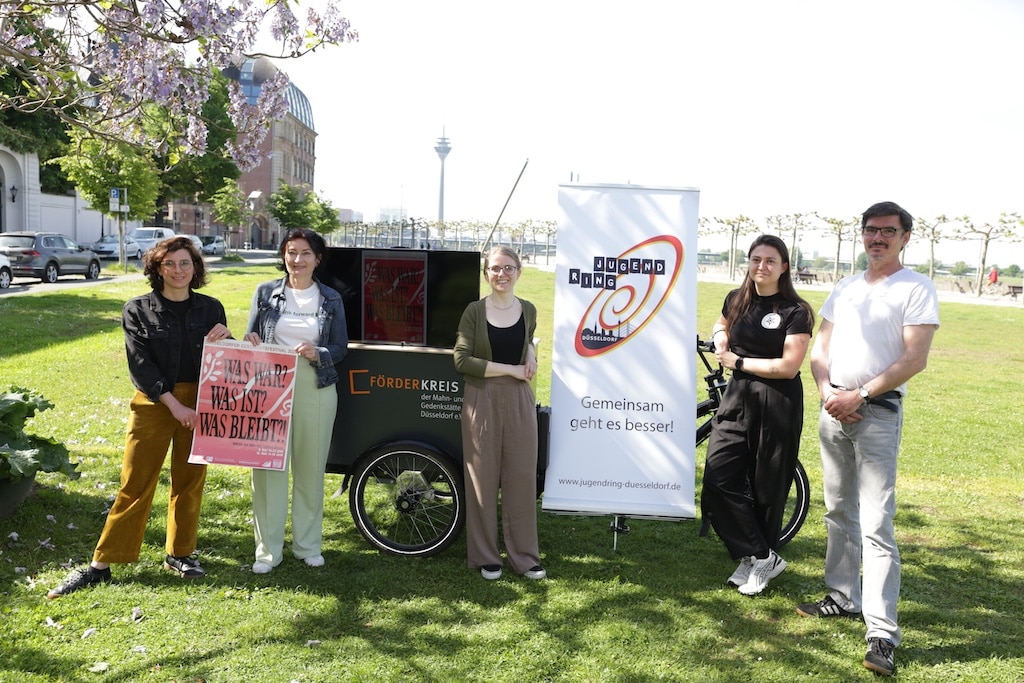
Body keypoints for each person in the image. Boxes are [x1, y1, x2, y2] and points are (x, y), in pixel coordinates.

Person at [797, 201, 939, 677]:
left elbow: (913, 358)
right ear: (862, 235)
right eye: (871, 230)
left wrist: (858, 393)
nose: (877, 238)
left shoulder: (916, 288)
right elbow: (821, 347)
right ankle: (841, 596)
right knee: (838, 511)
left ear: (905, 237)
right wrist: (827, 393)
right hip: (833, 409)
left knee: (877, 524)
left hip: (876, 415)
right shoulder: (845, 287)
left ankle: (881, 634)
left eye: (888, 231)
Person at [48, 237, 233, 598]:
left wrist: (229, 339)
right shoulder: (137, 309)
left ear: (195, 268)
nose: (178, 270)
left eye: (185, 263)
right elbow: (141, 365)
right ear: (156, 268)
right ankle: (102, 564)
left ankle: (181, 554)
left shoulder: (212, 309)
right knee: (135, 482)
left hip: (200, 402)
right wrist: (173, 404)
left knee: (190, 480)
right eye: (170, 264)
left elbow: (223, 362)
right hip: (154, 402)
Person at [702, 234, 814, 596]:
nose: (761, 266)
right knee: (719, 476)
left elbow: (789, 367)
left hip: (776, 401)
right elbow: (722, 323)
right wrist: (721, 336)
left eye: (770, 260)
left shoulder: (795, 311)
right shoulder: (737, 299)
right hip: (738, 396)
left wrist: (740, 361)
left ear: (784, 267)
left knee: (767, 484)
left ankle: (758, 559)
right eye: (755, 259)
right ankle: (761, 553)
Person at [244, 228, 348, 574]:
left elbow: (340, 348)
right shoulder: (265, 292)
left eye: (305, 253)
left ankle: (308, 545)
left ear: (317, 259)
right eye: (291, 252)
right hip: (269, 386)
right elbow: (251, 338)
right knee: (267, 469)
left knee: (309, 469)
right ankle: (267, 552)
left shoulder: (330, 298)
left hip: (314, 385)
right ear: (283, 256)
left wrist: (317, 352)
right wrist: (252, 341)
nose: (297, 260)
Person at [454, 246, 544, 580]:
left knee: (521, 478)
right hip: (482, 399)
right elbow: (462, 360)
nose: (501, 274)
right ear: (486, 273)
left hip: (519, 400)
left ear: (519, 272)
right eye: (494, 269)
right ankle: (486, 556)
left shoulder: (529, 309)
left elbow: (528, 339)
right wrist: (511, 369)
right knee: (483, 479)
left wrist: (532, 354)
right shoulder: (474, 312)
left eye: (508, 268)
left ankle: (524, 556)